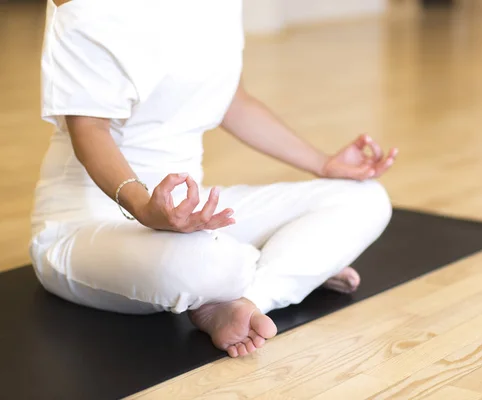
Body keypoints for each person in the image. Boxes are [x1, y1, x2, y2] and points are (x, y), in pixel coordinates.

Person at [30, 0, 398, 358]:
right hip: (89, 224)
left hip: (191, 217)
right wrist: (144, 207)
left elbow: (233, 101)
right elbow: (90, 130)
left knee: (365, 198)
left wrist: (324, 164)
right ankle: (294, 264)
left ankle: (247, 300)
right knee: (208, 264)